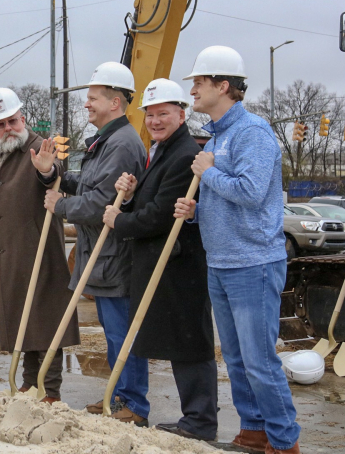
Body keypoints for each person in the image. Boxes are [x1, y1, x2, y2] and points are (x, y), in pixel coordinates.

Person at [174, 46, 300, 454]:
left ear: (223, 85)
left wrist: (208, 173)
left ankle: (284, 441)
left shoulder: (252, 132)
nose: (193, 90)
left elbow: (251, 192)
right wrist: (195, 212)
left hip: (253, 263)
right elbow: (229, 200)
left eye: (199, 82)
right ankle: (254, 431)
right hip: (222, 262)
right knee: (237, 359)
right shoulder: (218, 136)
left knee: (260, 361)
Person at [102, 79, 217, 441]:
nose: (155, 121)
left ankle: (199, 420)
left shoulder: (183, 155)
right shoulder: (163, 150)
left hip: (180, 266)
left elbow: (160, 215)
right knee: (179, 342)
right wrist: (130, 196)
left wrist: (119, 220)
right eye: (150, 115)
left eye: (163, 114)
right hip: (161, 264)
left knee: (189, 343)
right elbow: (150, 203)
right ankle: (194, 418)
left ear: (181, 115)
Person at [33, 63, 147, 420]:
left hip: (115, 256)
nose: (86, 104)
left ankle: (133, 404)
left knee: (121, 334)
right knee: (113, 334)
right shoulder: (107, 142)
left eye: (93, 98)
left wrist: (61, 206)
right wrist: (52, 172)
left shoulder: (122, 144)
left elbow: (101, 203)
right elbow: (88, 185)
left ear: (115, 102)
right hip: (102, 256)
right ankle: (118, 395)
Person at [0, 87, 79, 404]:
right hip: (12, 251)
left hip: (39, 248)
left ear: (22, 118)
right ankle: (30, 382)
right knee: (24, 316)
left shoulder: (40, 146)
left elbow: (54, 175)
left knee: (45, 318)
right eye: (0, 124)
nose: (8, 128)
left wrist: (46, 169)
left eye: (12, 121)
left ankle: (50, 388)